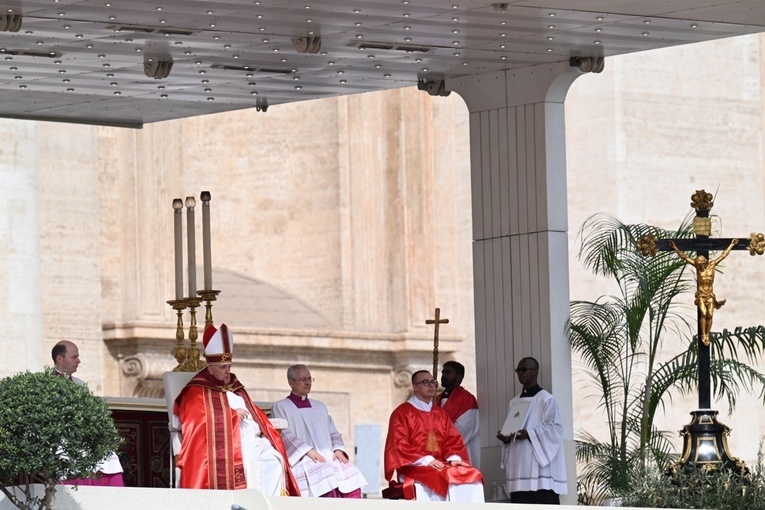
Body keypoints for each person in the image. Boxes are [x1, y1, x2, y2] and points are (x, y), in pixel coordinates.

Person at [173, 323, 300, 495]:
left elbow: (254, 412)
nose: (228, 372)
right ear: (210, 369)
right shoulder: (196, 390)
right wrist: (231, 415)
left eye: (229, 367)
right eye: (223, 368)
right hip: (227, 444)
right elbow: (196, 420)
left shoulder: (234, 385)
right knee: (251, 460)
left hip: (251, 438)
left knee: (273, 458)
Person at [384, 369, 484, 502]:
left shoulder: (440, 413)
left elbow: (452, 439)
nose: (431, 385)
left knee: (473, 475)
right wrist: (427, 460)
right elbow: (398, 445)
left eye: (433, 382)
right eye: (426, 382)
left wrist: (453, 457)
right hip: (414, 466)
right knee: (449, 476)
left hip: (441, 464)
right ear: (415, 387)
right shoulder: (402, 413)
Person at [271, 364, 367, 497]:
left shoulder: (319, 406)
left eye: (310, 379)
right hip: (301, 457)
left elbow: (333, 432)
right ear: (291, 382)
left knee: (348, 473)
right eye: (303, 379)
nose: (308, 383)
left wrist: (338, 449)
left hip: (327, 455)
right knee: (325, 476)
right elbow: (283, 435)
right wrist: (307, 451)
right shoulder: (281, 406)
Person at [52, 340, 124, 487]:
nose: (79, 361)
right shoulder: (46, 383)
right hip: (61, 438)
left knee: (107, 454)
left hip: (83, 436)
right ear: (60, 359)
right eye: (74, 357)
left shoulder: (80, 384)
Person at [497, 357, 567, 504]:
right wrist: (506, 438)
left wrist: (530, 434)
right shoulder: (514, 402)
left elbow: (555, 428)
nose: (520, 373)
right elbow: (512, 428)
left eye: (524, 370)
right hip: (519, 465)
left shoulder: (546, 399)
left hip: (539, 468)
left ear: (535, 372)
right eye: (518, 370)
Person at [668, 238, 738, 346]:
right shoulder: (697, 267)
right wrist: (674, 247)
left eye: (700, 264)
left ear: (704, 262)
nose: (699, 266)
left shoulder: (712, 265)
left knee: (710, 314)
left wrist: (732, 245)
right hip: (701, 294)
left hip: (710, 295)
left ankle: (707, 334)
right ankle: (703, 335)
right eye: (698, 265)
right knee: (704, 313)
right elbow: (684, 257)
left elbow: (723, 255)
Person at [436, 360, 480, 468]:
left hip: (459, 451)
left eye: (448, 372)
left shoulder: (467, 399)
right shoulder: (436, 399)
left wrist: (441, 442)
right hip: (438, 452)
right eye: (443, 372)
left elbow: (464, 429)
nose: (444, 375)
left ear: (459, 377)